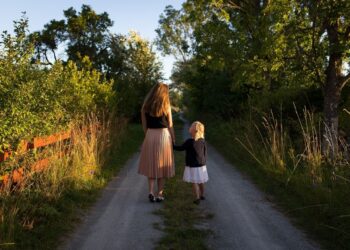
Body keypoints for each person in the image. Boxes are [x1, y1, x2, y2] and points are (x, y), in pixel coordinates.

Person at [138, 83, 175, 202]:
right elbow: (170, 125)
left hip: (150, 135)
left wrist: (148, 136)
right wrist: (173, 138)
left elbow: (144, 126)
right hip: (163, 136)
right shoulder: (166, 106)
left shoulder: (145, 107)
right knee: (162, 165)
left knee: (151, 165)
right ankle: (159, 194)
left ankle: (150, 191)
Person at [173, 121, 208, 204]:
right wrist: (204, 162)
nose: (190, 127)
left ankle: (197, 197)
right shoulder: (203, 141)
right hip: (201, 165)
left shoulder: (189, 141)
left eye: (191, 126)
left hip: (192, 165)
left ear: (195, 130)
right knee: (201, 181)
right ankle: (202, 195)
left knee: (194, 182)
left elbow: (181, 148)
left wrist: (172, 145)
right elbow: (205, 153)